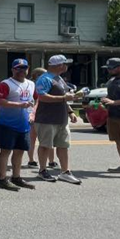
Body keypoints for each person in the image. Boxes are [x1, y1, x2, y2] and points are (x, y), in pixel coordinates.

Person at [34, 55, 82, 185]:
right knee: (45, 145)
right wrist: (64, 99)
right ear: (59, 65)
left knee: (63, 146)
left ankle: (65, 172)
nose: (66, 66)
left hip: (61, 119)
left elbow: (64, 97)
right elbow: (43, 97)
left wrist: (70, 111)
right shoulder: (44, 79)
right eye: (65, 64)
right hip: (46, 119)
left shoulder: (59, 78)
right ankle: (42, 170)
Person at [0, 59, 37, 192]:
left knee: (20, 151)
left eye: (24, 68)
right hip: (7, 124)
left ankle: (16, 177)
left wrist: (33, 113)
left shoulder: (31, 84)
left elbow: (37, 99)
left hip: (24, 124)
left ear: (28, 69)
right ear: (12, 70)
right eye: (18, 68)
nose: (21, 71)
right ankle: (2, 179)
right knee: (5, 151)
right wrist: (19, 105)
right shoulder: (6, 84)